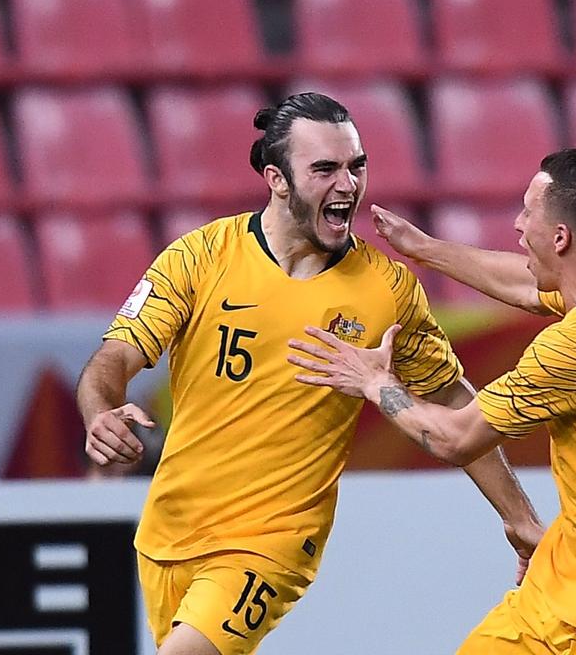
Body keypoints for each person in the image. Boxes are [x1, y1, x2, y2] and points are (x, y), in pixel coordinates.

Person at [75, 93, 543, 655]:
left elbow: (452, 401)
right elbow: (114, 357)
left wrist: (519, 517)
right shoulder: (201, 257)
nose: (347, 185)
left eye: (357, 165)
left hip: (271, 543)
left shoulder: (387, 291)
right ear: (277, 178)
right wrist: (101, 411)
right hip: (168, 534)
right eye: (325, 169)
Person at [288, 148, 576, 655]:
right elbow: (529, 285)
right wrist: (425, 249)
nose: (518, 224)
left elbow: (456, 438)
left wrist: (375, 381)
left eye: (528, 213)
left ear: (561, 238)